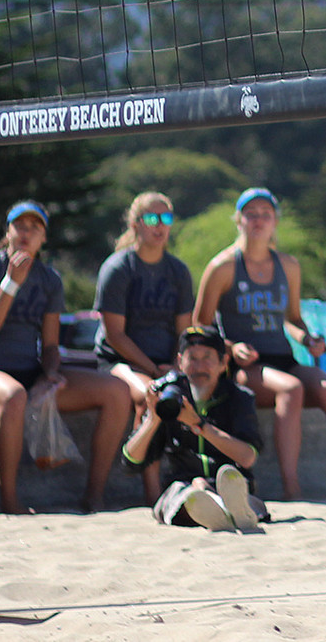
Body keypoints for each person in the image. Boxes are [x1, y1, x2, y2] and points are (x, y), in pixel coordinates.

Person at [193, 187, 326, 501]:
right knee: (291, 389)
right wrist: (230, 347)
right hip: (242, 366)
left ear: (275, 221)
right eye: (251, 214)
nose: (258, 220)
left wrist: (308, 338)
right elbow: (198, 328)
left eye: (265, 214)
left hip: (282, 357)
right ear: (239, 220)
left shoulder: (288, 265)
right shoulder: (222, 267)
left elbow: (292, 318)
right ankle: (292, 487)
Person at [0, 200, 132, 513]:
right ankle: (9, 502)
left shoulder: (50, 279)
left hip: (30, 373)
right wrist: (11, 283)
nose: (26, 233)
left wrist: (51, 374)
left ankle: (94, 496)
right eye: (20, 226)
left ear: (44, 238)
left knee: (117, 392)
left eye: (34, 228)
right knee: (12, 396)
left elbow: (51, 345)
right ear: (8, 232)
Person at [94, 192, 195, 501]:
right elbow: (115, 336)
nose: (159, 226)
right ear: (136, 224)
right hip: (119, 362)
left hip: (165, 363)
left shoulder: (178, 271)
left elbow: (184, 332)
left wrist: (177, 367)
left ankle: (197, 482)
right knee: (148, 396)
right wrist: (156, 370)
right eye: (152, 219)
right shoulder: (118, 268)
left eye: (166, 218)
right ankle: (152, 493)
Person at [123, 324, 267, 532]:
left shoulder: (239, 397)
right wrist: (153, 419)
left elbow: (247, 457)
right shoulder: (171, 397)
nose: (199, 367)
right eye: (192, 358)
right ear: (180, 363)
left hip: (231, 484)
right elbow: (131, 462)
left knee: (240, 491)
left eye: (207, 357)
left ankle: (225, 506)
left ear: (223, 362)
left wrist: (198, 424)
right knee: (183, 496)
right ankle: (220, 508)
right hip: (183, 488)